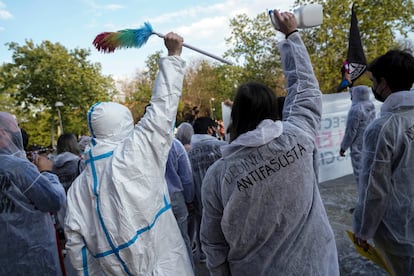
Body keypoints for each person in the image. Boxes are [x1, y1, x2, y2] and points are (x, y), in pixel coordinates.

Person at [200, 10, 339, 275]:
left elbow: (213, 245)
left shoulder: (218, 176)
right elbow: (306, 89)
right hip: (318, 265)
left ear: (236, 117)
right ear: (274, 110)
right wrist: (291, 35)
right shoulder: (300, 136)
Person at [64, 32, 193, 275]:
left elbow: (77, 250)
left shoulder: (78, 190)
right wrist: (173, 56)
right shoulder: (135, 153)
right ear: (124, 123)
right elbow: (161, 112)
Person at [353, 49, 414, 275]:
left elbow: (374, 188)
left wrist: (363, 229)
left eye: (373, 81)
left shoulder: (383, 128)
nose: (373, 87)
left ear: (383, 83)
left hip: (399, 231)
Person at [0, 112, 66, 275]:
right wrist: (46, 172)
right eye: (16, 128)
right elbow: (54, 200)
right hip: (32, 259)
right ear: (3, 133)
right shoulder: (18, 167)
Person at [188, 116, 227, 263]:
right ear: (210, 130)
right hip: (221, 197)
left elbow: (188, 178)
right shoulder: (220, 146)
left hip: (199, 198)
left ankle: (205, 255)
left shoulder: (190, 152)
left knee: (201, 226)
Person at [165, 138, 194, 267]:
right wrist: (190, 199)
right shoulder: (175, 145)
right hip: (176, 197)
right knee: (183, 240)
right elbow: (186, 177)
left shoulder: (142, 145)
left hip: (155, 199)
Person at [339, 85, 376, 189]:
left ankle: (363, 201)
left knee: (360, 175)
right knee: (370, 174)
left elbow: (350, 132)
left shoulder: (355, 109)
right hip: (370, 143)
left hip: (358, 147)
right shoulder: (370, 105)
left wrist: (343, 147)